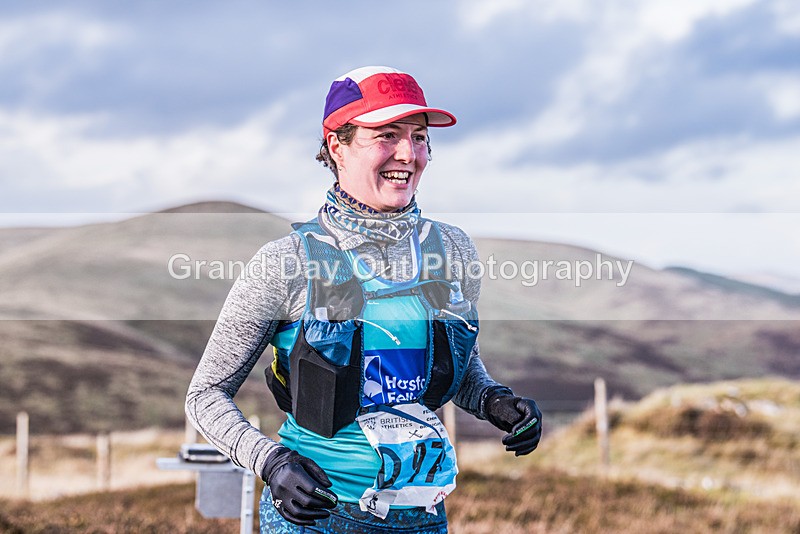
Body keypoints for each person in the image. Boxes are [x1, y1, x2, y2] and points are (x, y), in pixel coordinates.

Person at [185, 66, 543, 533]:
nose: (407, 153)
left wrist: (494, 400)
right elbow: (205, 396)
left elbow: (456, 367)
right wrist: (271, 463)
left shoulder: (452, 250)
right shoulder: (287, 262)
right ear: (337, 145)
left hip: (423, 517)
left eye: (418, 137)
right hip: (315, 517)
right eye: (386, 135)